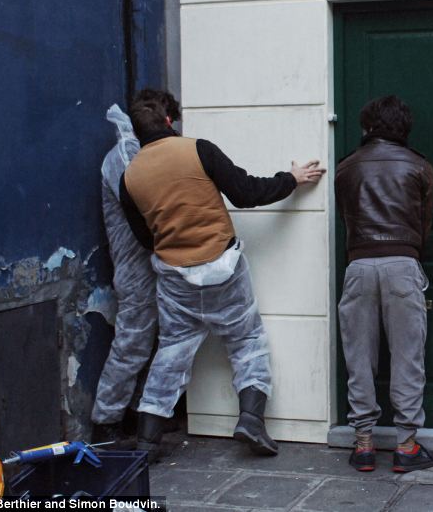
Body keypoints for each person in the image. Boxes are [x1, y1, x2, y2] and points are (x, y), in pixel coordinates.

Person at [119, 98, 326, 459]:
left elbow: (144, 238)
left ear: (136, 135)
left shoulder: (130, 177)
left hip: (174, 277)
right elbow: (246, 193)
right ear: (169, 120)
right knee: (247, 340)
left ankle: (148, 441)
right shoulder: (197, 150)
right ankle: (250, 418)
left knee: (172, 351)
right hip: (222, 266)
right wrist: (291, 179)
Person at [335, 95, 433, 473]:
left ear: (367, 127)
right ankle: (406, 446)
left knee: (358, 357)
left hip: (358, 264)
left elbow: (346, 218)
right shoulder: (419, 166)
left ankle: (363, 443)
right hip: (403, 263)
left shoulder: (346, 167)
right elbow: (423, 226)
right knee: (408, 357)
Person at [92, 90, 180, 446]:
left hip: (156, 258)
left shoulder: (140, 153)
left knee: (159, 341)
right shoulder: (124, 156)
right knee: (132, 342)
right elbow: (146, 202)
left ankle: (139, 412)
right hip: (135, 263)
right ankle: (106, 419)